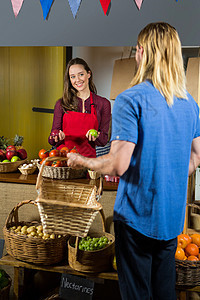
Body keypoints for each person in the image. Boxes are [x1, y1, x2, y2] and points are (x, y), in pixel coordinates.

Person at [67, 22, 200, 300]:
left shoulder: (131, 99)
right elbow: (196, 157)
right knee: (164, 292)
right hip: (171, 218)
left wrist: (82, 160)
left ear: (141, 52)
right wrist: (169, 171)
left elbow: (118, 164)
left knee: (137, 295)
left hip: (136, 218)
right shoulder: (189, 103)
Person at [48, 57, 111, 158]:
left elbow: (103, 141)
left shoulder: (103, 103)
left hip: (88, 162)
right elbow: (51, 140)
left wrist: (96, 136)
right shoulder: (61, 103)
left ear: (88, 74)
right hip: (64, 160)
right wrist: (57, 136)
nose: (77, 80)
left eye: (81, 74)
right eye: (72, 77)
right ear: (69, 79)